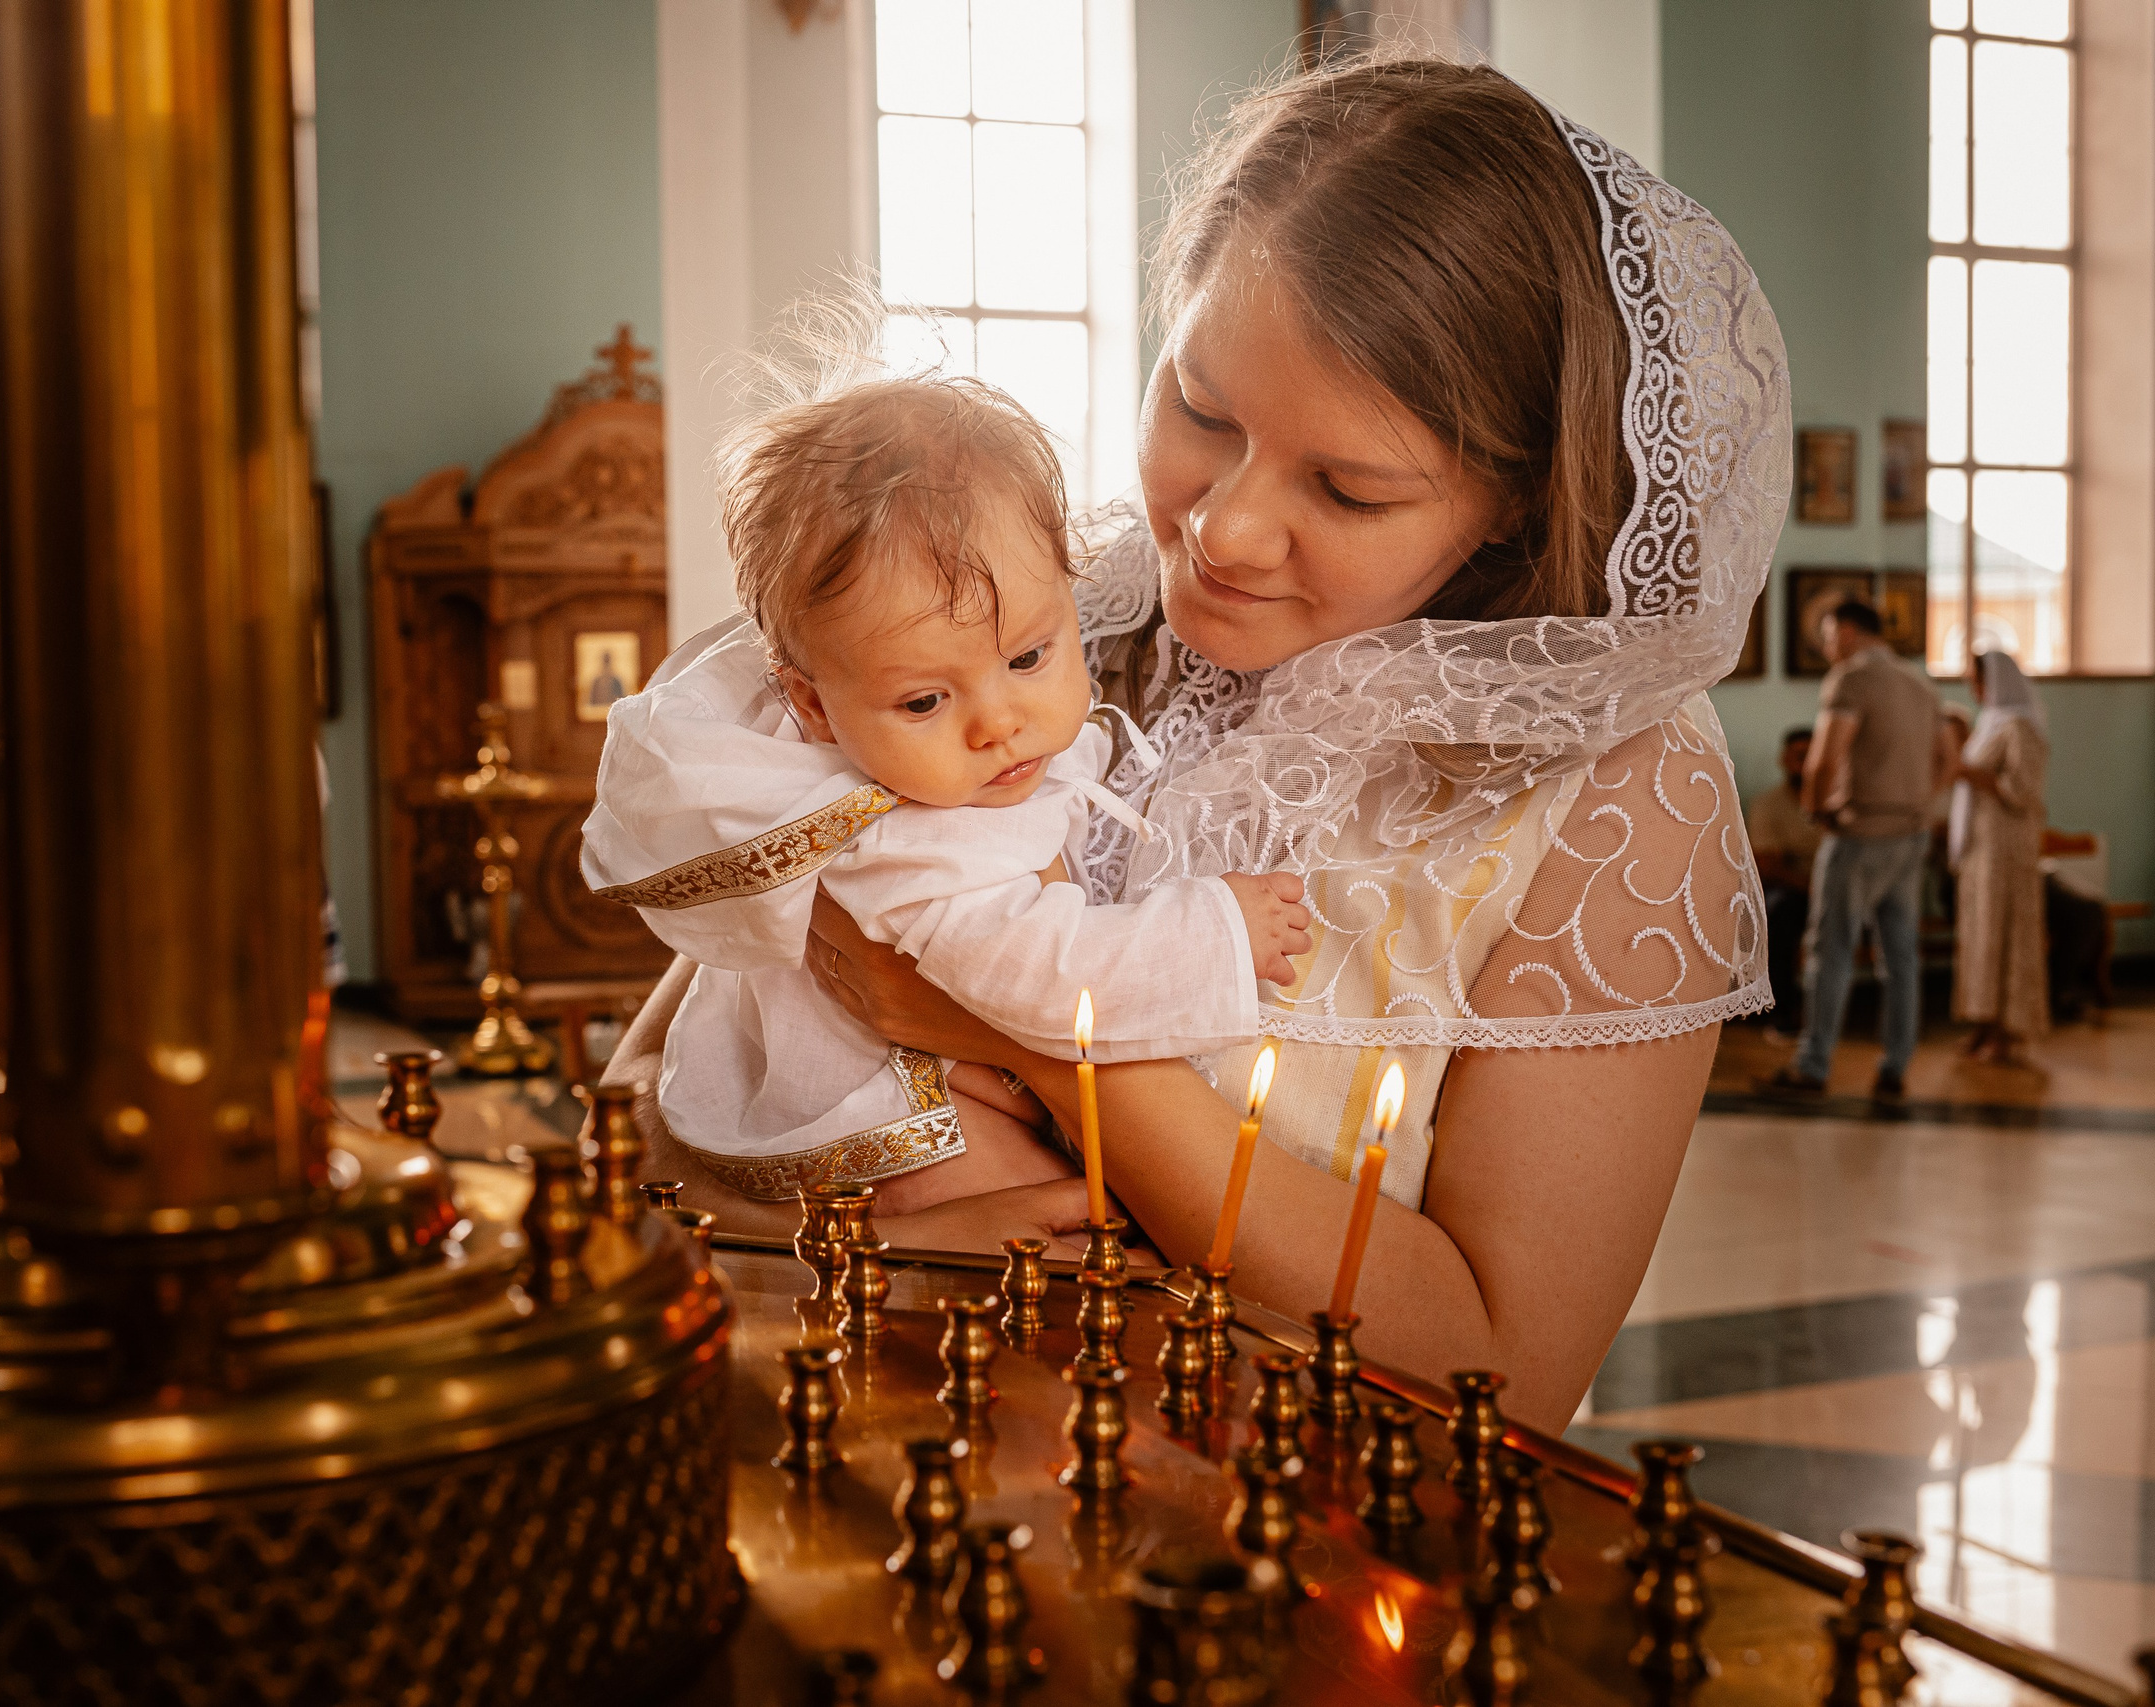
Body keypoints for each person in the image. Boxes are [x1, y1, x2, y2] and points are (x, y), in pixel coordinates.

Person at [605, 56, 1785, 1428]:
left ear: (1514, 504)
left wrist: (1037, 1038)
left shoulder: (1620, 783)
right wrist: (865, 1255)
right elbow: (644, 1106)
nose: (1222, 529)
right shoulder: (1039, 623)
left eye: (1349, 488)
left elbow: (1505, 1376)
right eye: (1202, 410)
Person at [580, 366, 1314, 1214]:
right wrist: (1215, 929)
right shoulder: (904, 837)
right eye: (926, 701)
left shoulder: (963, 766)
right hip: (886, 1121)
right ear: (813, 706)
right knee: (1077, 1224)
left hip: (950, 1089)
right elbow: (1043, 970)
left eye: (1028, 656)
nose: (998, 723)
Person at [1765, 600, 1948, 1099]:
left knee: (1831, 951)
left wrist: (1815, 809)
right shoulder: (1920, 683)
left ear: (1847, 630)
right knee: (1901, 956)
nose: (1826, 647)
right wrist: (1918, 805)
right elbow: (1947, 758)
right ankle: (1894, 1067)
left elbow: (1825, 758)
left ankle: (1813, 1065)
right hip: (1911, 835)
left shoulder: (1851, 678)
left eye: (1828, 635)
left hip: (1860, 833)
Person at [1950, 650, 2050, 1064]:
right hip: (1982, 844)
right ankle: (1983, 1021)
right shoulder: (1989, 724)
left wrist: (1967, 773)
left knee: (2006, 931)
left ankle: (2008, 1029)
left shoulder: (2019, 726)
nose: (1973, 689)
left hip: (2007, 845)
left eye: (1977, 680)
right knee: (1981, 932)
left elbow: (2024, 790)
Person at [1746, 726, 1823, 1034]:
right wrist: (1812, 887)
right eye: (1799, 756)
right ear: (1785, 760)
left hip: (1838, 891)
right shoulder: (1768, 805)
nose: (1805, 764)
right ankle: (1782, 1009)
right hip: (1796, 892)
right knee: (1779, 911)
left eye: (1812, 756)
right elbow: (1768, 866)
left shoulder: (1836, 801)